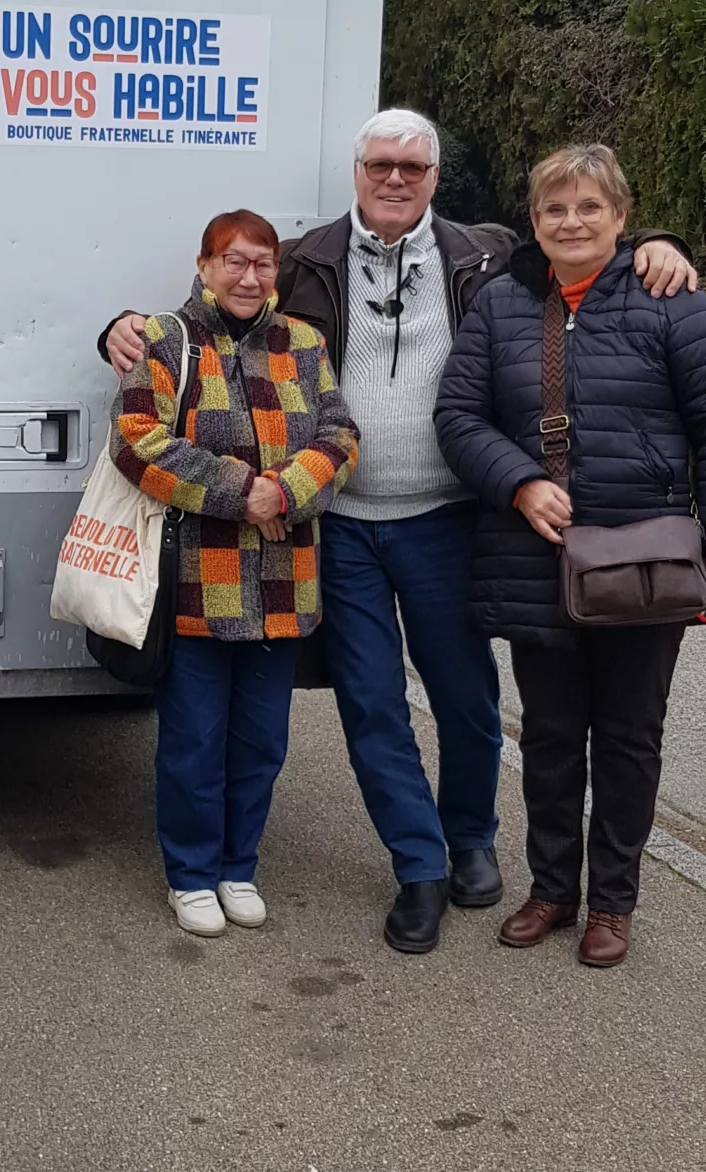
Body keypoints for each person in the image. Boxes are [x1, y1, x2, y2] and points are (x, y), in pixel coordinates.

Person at [103, 110, 696, 954]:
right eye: (380, 163)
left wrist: (661, 242)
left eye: (412, 167)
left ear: (434, 177)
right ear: (356, 170)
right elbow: (221, 315)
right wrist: (119, 326)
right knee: (374, 706)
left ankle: (469, 843)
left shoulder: (486, 252)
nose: (395, 179)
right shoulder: (307, 259)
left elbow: (587, 249)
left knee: (465, 698)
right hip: (339, 525)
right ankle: (418, 867)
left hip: (451, 517)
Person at [434, 144, 706, 968]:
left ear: (623, 219)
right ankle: (553, 888)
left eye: (590, 207)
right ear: (535, 220)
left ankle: (613, 904)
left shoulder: (674, 302)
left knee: (629, 738)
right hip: (537, 556)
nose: (572, 221)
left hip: (643, 562)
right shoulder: (500, 305)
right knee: (551, 736)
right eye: (555, 208)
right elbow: (458, 416)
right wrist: (517, 481)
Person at [109, 208, 358, 937]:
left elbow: (340, 435)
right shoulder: (166, 339)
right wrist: (239, 491)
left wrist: (283, 491)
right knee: (192, 742)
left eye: (262, 263)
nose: (249, 276)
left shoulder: (304, 344)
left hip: (283, 582)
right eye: (234, 261)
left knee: (261, 741)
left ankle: (236, 866)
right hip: (196, 581)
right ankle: (188, 875)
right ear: (205, 265)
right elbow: (135, 440)